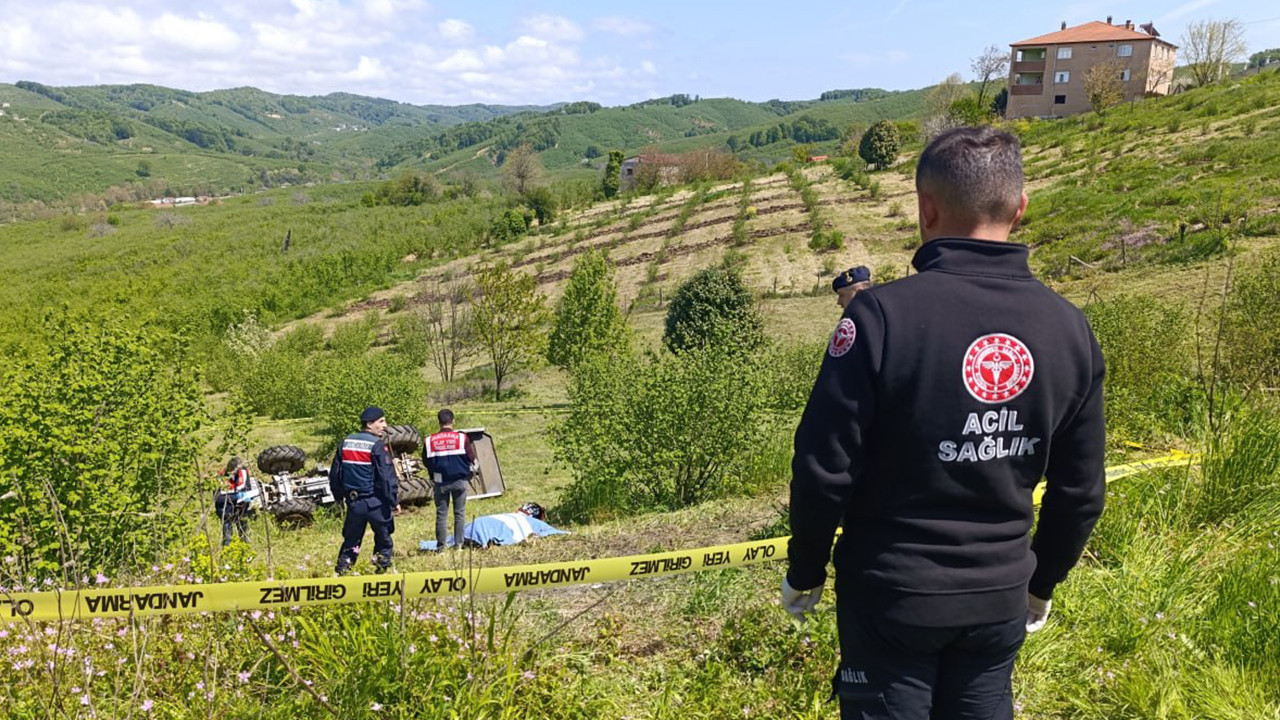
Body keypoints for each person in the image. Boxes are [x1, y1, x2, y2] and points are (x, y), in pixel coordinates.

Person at [783, 126, 1106, 720]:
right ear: (1020, 208)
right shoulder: (1069, 328)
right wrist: (1041, 582)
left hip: (892, 595)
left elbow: (823, 468)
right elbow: (1081, 491)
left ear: (925, 209)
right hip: (1000, 595)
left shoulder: (879, 318)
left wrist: (805, 568)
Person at [330, 406, 399, 574]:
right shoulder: (376, 445)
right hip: (375, 503)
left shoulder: (345, 443)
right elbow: (386, 477)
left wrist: (338, 498)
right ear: (369, 424)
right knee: (383, 540)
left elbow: (335, 474)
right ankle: (380, 573)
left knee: (351, 541)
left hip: (354, 503)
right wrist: (393, 500)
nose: (385, 425)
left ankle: (342, 572)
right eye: (381, 421)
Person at [423, 408, 477, 551]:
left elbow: (425, 461)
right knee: (459, 513)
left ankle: (441, 547)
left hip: (440, 481)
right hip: (460, 480)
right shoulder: (461, 438)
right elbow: (471, 458)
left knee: (442, 514)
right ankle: (458, 545)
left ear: (438, 422)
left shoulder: (429, 440)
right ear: (453, 421)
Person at [216, 457, 252, 546]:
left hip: (241, 506)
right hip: (225, 507)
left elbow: (245, 488)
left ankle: (245, 548)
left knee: (243, 529)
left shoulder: (243, 472)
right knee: (227, 534)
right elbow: (219, 498)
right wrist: (236, 496)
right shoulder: (222, 476)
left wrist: (244, 497)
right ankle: (227, 549)